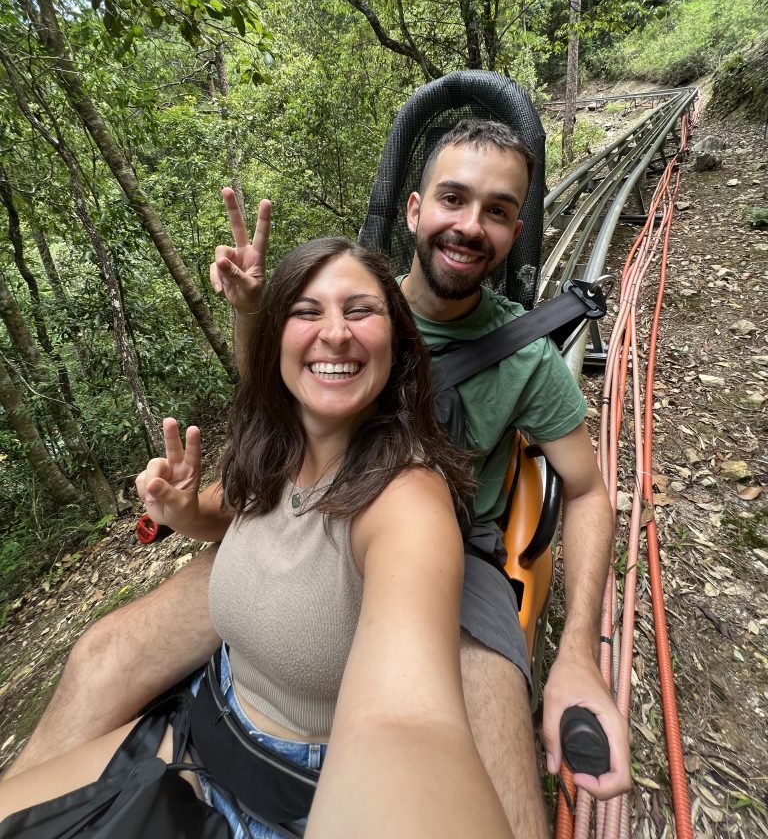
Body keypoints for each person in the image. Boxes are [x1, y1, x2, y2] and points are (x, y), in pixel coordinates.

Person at [5, 121, 631, 835]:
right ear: (415, 209)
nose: (469, 225)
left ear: (516, 228)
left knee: (500, 769)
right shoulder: (350, 295)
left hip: (451, 542)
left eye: (495, 210)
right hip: (299, 497)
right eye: (453, 199)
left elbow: (584, 492)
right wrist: (250, 312)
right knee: (101, 656)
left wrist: (576, 652)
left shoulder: (527, 361)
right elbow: (284, 403)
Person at [0, 238, 515, 839]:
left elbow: (409, 724)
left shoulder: (407, 498)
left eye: (359, 310)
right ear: (277, 342)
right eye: (306, 311)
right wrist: (180, 512)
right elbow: (225, 517)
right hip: (198, 721)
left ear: (399, 344)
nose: (335, 333)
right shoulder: (277, 450)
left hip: (283, 794)